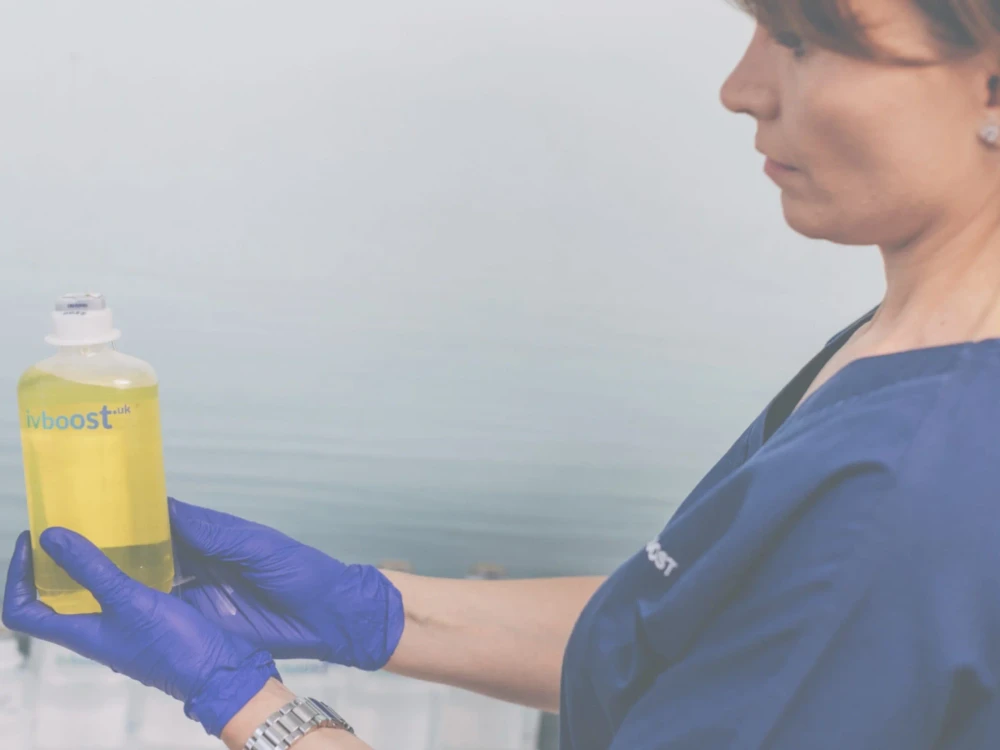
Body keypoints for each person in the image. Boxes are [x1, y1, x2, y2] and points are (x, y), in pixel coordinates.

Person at [7, 0, 1000, 747]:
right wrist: (372, 610)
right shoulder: (912, 348)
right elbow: (702, 633)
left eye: (800, 37)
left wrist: (252, 706)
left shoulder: (905, 487)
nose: (741, 88)